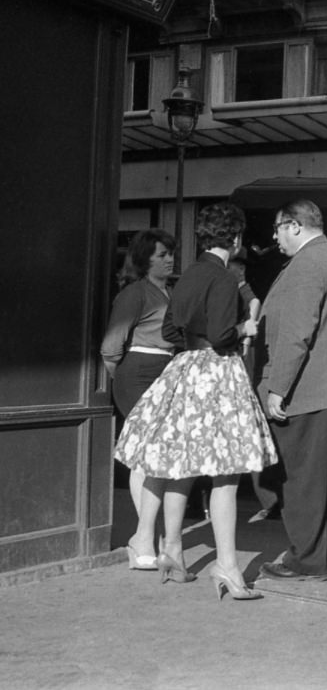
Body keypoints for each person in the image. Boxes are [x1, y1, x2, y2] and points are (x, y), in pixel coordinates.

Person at [115, 203, 277, 600]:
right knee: (225, 475)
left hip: (184, 368)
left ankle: (172, 549)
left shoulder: (186, 276)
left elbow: (171, 330)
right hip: (218, 372)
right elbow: (224, 335)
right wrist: (246, 326)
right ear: (236, 239)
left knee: (177, 465)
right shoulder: (222, 277)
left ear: (202, 237)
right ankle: (227, 567)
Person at [257, 199, 327, 582]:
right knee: (322, 481)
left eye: (278, 228)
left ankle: (306, 560)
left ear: (295, 225)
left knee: (300, 481)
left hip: (308, 390)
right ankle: (320, 558)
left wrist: (277, 388)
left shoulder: (307, 264)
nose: (275, 237)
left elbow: (296, 333)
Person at [101, 228, 176, 569]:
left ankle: (146, 538)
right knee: (147, 457)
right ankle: (144, 539)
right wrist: (123, 377)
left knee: (155, 457)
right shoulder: (135, 293)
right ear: (146, 259)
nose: (169, 258)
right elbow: (111, 346)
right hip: (138, 376)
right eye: (161, 254)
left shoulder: (168, 292)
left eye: (170, 253)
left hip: (164, 375)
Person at [230, 251, 280, 524]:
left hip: (241, 369)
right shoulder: (242, 291)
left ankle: (270, 502)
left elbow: (254, 304)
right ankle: (270, 501)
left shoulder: (242, 292)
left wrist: (245, 338)